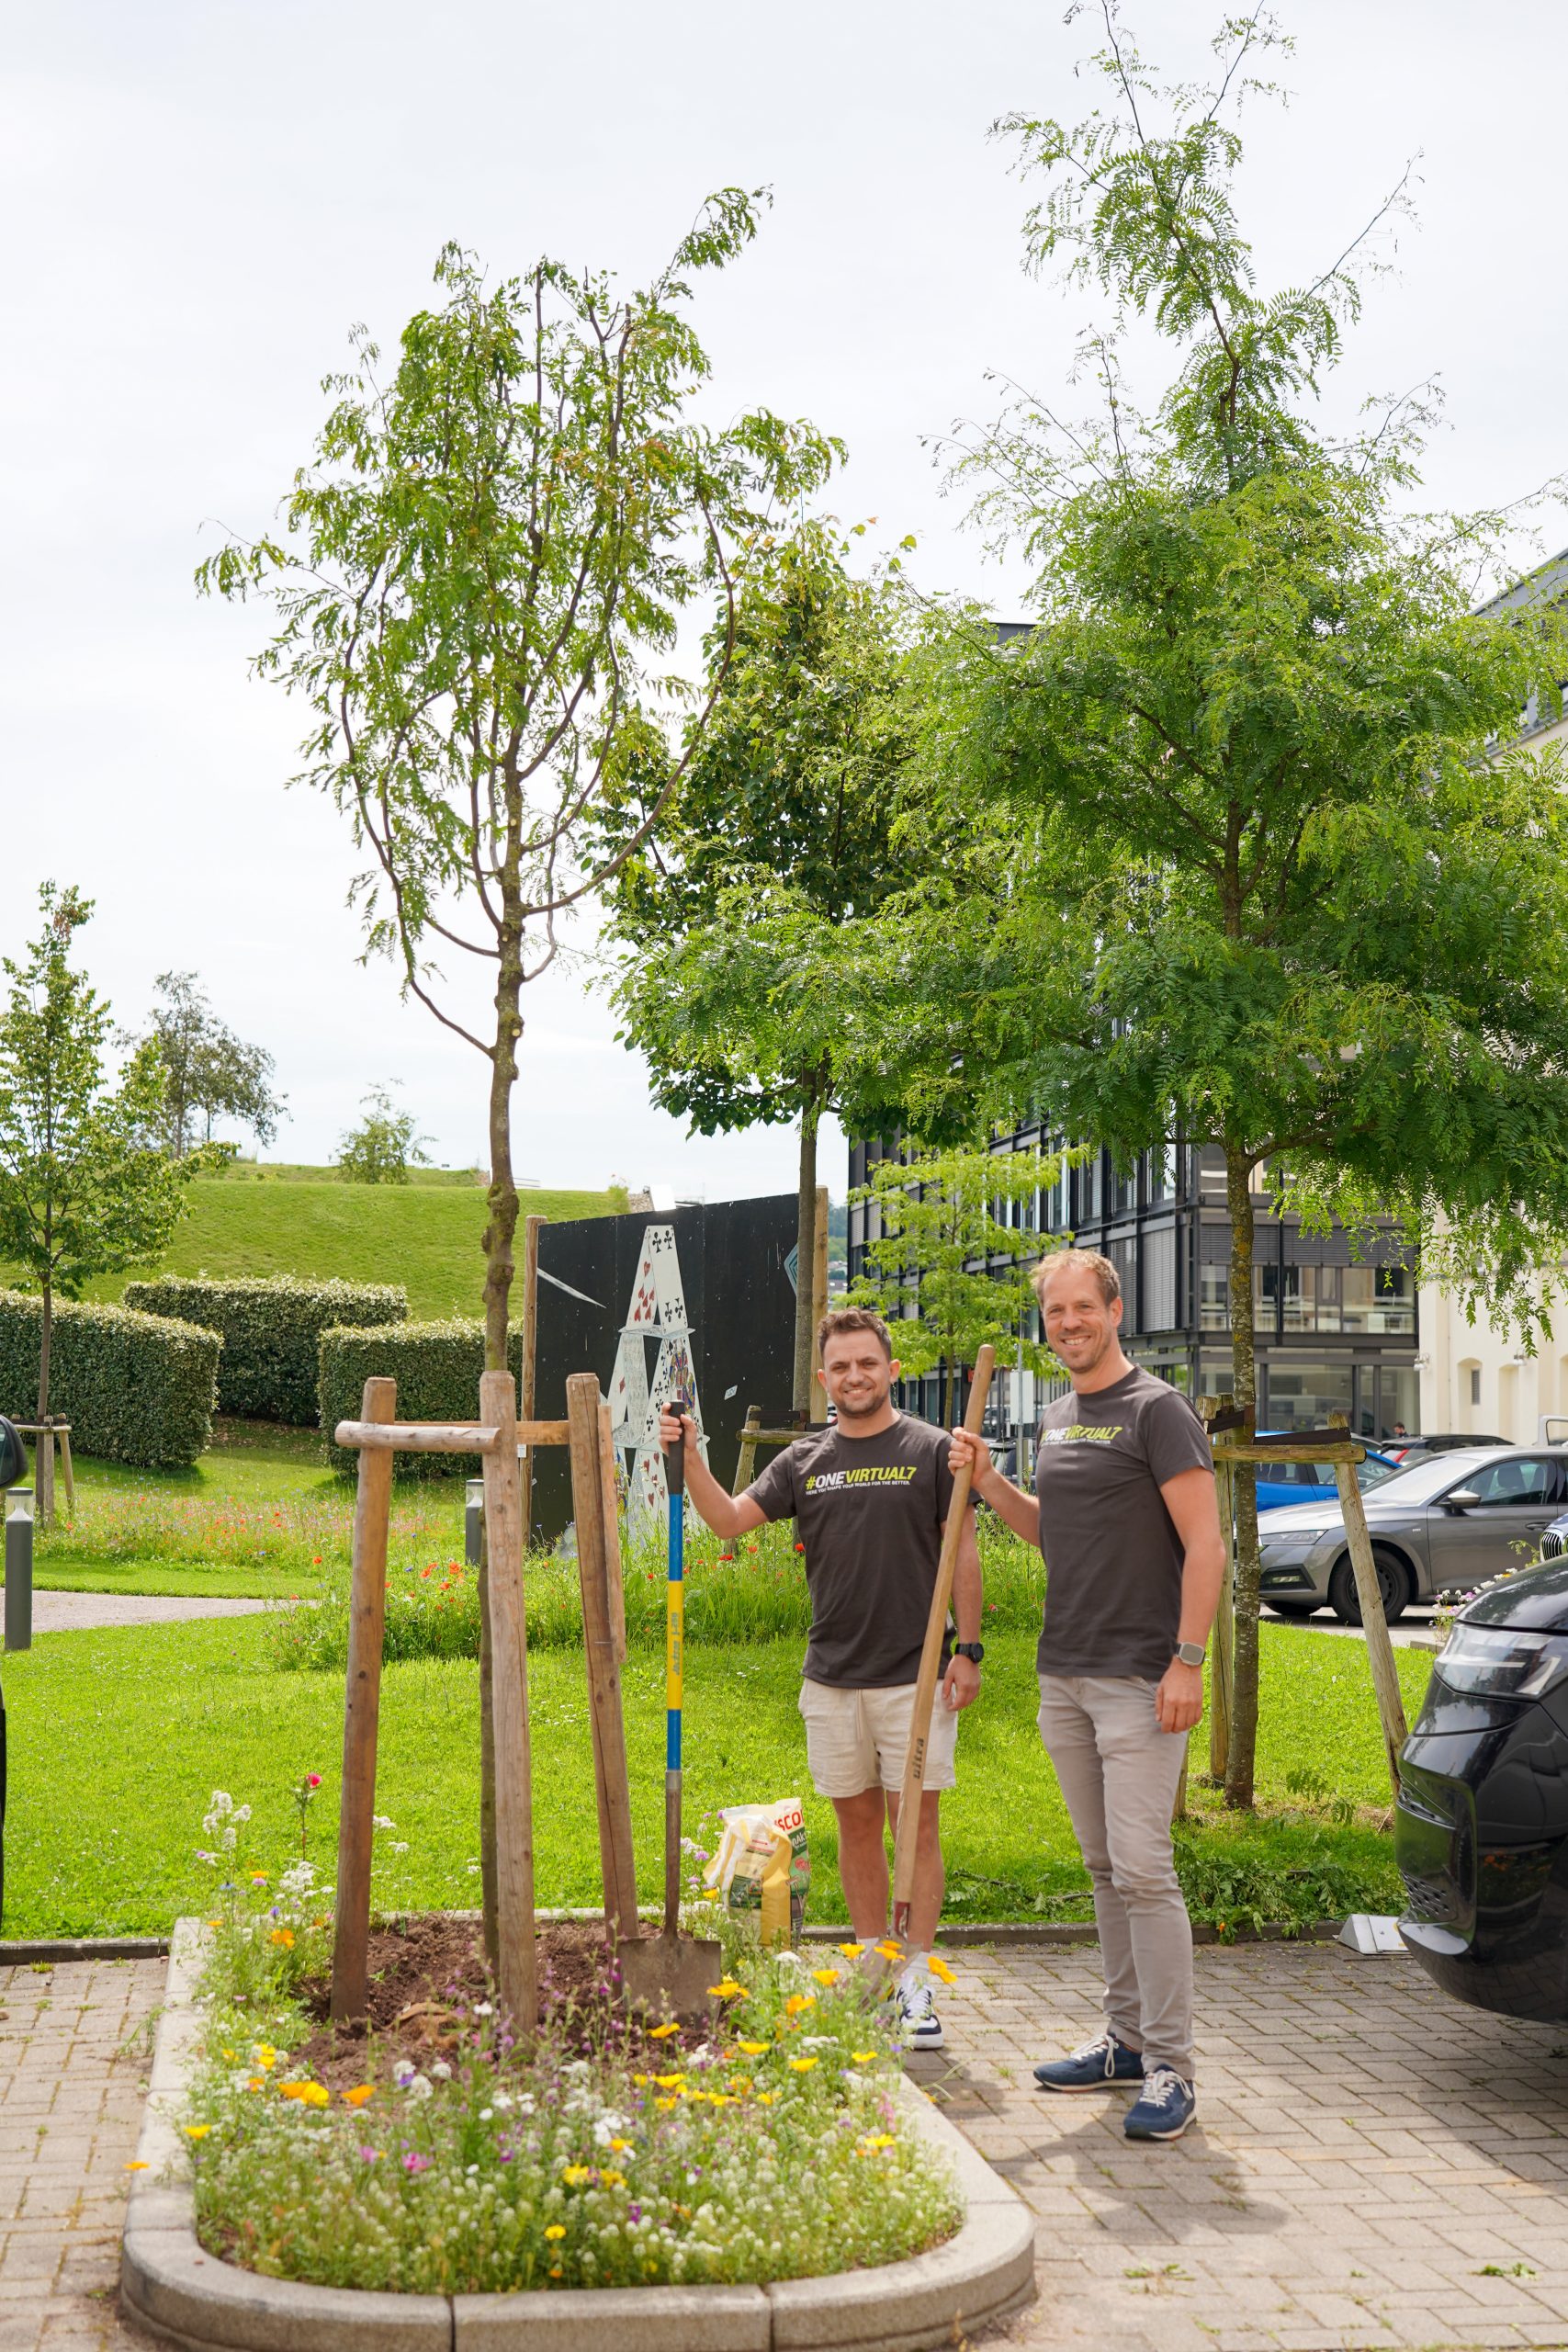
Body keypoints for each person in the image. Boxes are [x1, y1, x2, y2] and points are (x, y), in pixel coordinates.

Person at [950, 1248, 1224, 2143]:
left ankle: (1171, 2067)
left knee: (1145, 1868)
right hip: (1064, 1673)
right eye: (1054, 1312)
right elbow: (1052, 1536)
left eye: (1082, 1308)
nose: (1067, 1323)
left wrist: (1188, 1659)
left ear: (1114, 1309)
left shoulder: (1159, 1411)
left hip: (1141, 1676)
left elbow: (1207, 1545)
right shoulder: (1062, 1416)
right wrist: (991, 1481)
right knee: (1105, 1867)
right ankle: (1123, 2040)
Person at [658, 1306, 982, 2049]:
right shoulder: (804, 1460)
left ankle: (915, 1981)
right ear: (823, 1377)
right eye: (840, 1366)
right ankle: (873, 1961)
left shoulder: (933, 1451)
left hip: (914, 1675)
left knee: (917, 1824)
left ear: (890, 1370)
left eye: (867, 1362)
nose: (854, 1376)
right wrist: (695, 1458)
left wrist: (969, 1649)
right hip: (832, 1674)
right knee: (856, 1824)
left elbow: (961, 1548)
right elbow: (730, 1522)